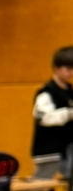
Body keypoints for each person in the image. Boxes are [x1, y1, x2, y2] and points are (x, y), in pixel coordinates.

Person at [30, 46, 73, 181]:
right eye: (68, 69)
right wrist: (69, 114)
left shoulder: (69, 91)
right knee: (40, 183)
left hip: (66, 149)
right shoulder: (46, 92)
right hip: (48, 150)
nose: (71, 73)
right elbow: (44, 118)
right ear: (56, 68)